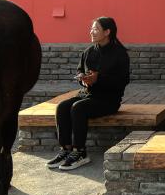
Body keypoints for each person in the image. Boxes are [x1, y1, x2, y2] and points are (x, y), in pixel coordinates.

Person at [46, 17, 130, 171]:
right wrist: (83, 79)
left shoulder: (120, 54)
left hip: (108, 99)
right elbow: (80, 70)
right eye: (91, 28)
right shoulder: (88, 52)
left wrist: (99, 79)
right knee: (62, 106)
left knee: (78, 108)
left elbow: (123, 80)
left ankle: (80, 152)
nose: (91, 32)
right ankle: (66, 149)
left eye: (96, 29)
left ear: (107, 32)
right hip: (87, 95)